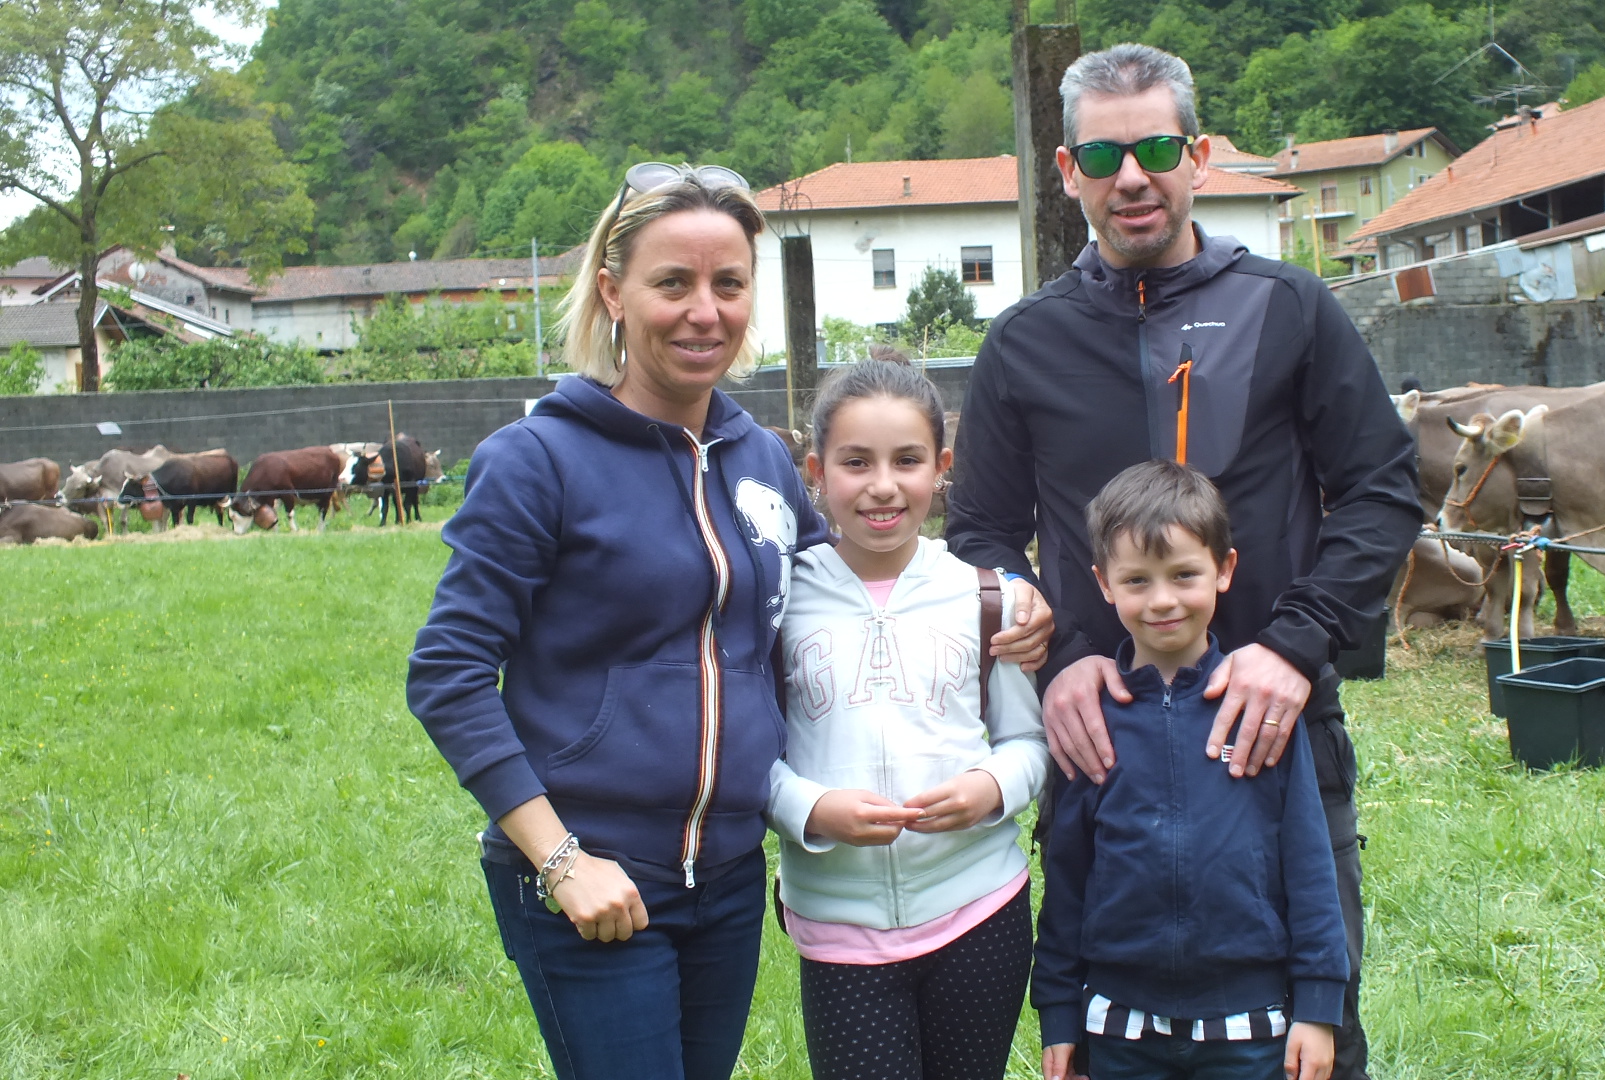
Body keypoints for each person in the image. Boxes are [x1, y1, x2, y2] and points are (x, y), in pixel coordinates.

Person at [407, 163, 1053, 1080]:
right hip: (596, 874)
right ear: (613, 292)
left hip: (728, 879)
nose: (704, 311)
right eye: (672, 282)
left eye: (729, 284)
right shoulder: (537, 460)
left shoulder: (762, 461)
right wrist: (559, 860)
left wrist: (1007, 595)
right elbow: (448, 673)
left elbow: (849, 593)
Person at [945, 44, 1423, 1080]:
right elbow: (979, 535)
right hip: (1105, 741)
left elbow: (1382, 488)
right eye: (1102, 156)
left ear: (1198, 157)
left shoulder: (1291, 308)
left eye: (1157, 149)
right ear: (1067, 172)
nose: (1132, 177)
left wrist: (1293, 646)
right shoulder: (1023, 343)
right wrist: (1058, 658)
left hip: (1277, 727)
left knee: (1313, 1043)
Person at [768, 359, 1050, 1080]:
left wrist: (992, 788)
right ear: (816, 471)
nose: (883, 485)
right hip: (840, 930)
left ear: (941, 469)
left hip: (981, 912)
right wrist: (809, 808)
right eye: (856, 462)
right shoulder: (780, 601)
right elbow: (752, 753)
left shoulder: (989, 598)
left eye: (907, 460)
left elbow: (1027, 741)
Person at [1032, 460, 1349, 1080]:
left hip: (1249, 1024)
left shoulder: (1261, 711)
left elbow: (1309, 861)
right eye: (1137, 580)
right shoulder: (1091, 722)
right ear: (1103, 583)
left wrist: (1317, 1005)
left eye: (1184, 574)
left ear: (1224, 569)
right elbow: (1066, 878)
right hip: (1120, 1024)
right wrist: (1060, 1012)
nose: (1162, 600)